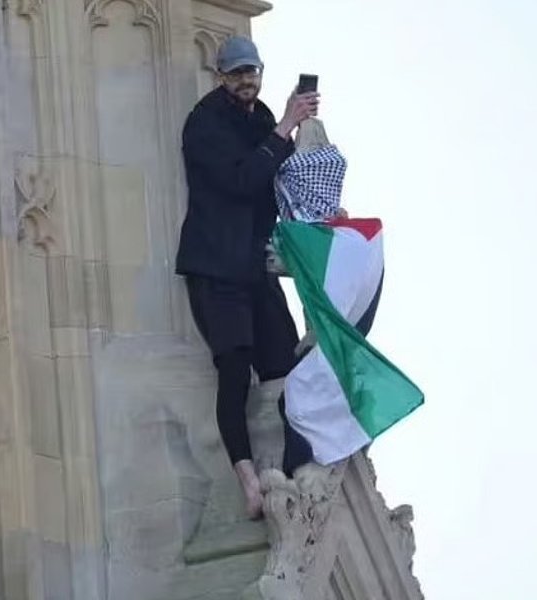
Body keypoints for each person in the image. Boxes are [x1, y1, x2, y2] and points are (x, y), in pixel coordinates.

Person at [175, 36, 319, 519]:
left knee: (286, 367)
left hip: (256, 266)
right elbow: (241, 180)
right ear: (220, 76)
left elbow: (279, 181)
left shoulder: (261, 118)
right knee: (235, 371)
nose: (245, 80)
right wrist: (284, 127)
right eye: (236, 73)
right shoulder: (204, 122)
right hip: (215, 267)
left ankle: (295, 465)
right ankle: (250, 483)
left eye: (250, 71)